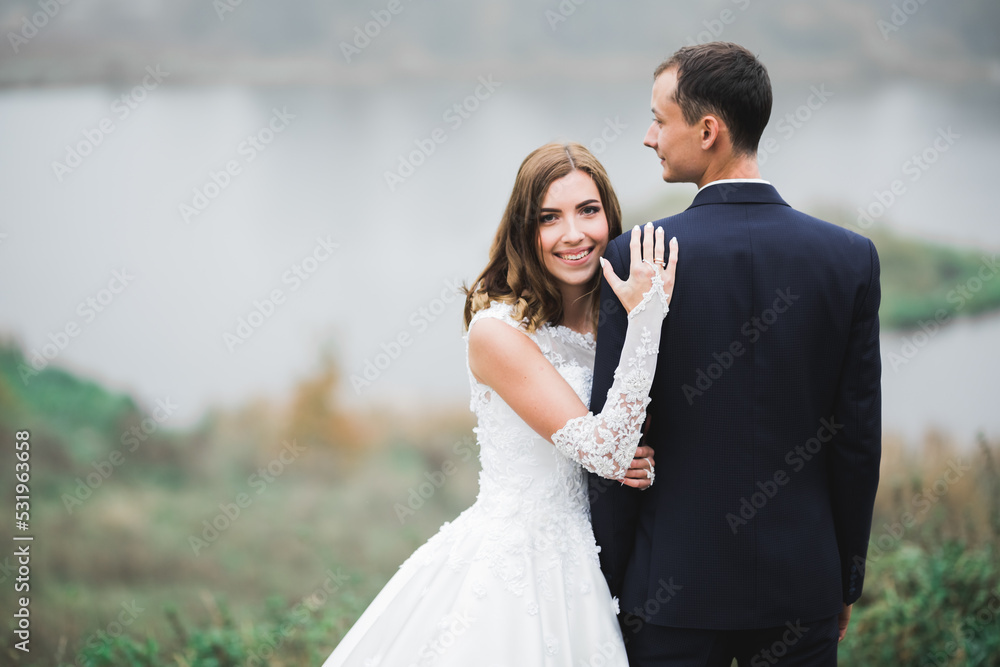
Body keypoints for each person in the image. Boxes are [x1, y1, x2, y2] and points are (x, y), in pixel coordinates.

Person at [320, 142, 679, 666]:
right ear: (523, 231)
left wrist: (646, 459)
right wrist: (650, 317)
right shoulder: (497, 332)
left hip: (601, 562)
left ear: (610, 216)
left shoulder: (613, 321)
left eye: (588, 211)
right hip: (518, 566)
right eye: (548, 218)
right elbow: (605, 450)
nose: (573, 234)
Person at [589, 42, 882, 666]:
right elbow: (857, 441)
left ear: (708, 129)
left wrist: (609, 580)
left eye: (659, 120)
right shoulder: (849, 258)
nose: (648, 137)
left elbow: (618, 445)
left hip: (669, 594)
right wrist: (844, 579)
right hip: (801, 588)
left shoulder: (635, 257)